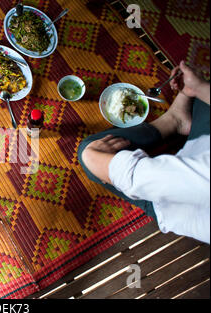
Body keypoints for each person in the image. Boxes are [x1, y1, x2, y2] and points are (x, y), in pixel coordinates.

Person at [78, 61, 210, 244]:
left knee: (88, 150)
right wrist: (200, 88)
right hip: (203, 145)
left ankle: (173, 121)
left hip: (164, 203)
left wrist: (91, 155)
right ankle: (179, 119)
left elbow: (134, 176)